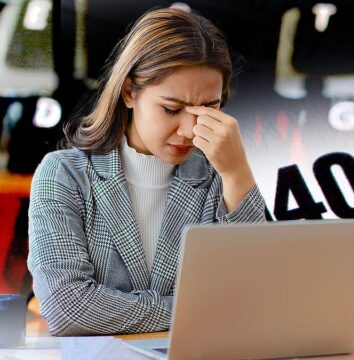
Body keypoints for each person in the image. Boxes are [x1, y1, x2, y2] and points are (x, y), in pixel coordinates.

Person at [27, 8, 266, 336]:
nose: (188, 130)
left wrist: (238, 174)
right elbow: (67, 307)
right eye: (171, 109)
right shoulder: (65, 175)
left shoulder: (220, 176)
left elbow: (256, 300)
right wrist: (198, 312)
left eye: (209, 109)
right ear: (129, 92)